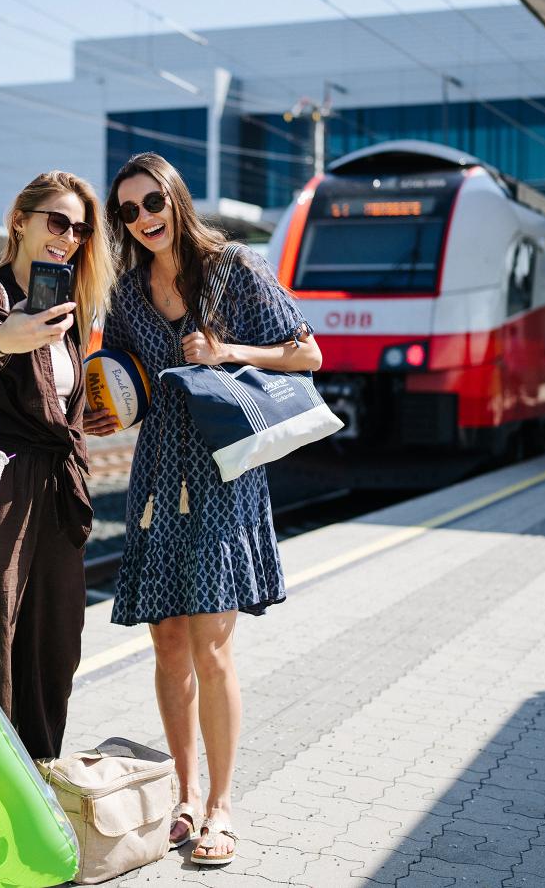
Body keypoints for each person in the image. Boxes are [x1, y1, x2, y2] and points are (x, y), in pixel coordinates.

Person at [85, 152, 322, 867]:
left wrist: (228, 350)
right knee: (166, 642)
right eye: (126, 210)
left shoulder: (234, 267)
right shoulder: (126, 293)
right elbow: (129, 381)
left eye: (151, 200)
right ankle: (184, 796)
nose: (143, 218)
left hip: (223, 471)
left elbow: (308, 354)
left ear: (175, 197)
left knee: (212, 646)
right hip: (159, 474)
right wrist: (107, 410)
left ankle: (222, 804)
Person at [0, 170, 116, 761]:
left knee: (55, 641)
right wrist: (9, 336)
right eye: (57, 221)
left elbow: (56, 401)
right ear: (19, 220)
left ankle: (39, 771)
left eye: (80, 229)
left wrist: (83, 419)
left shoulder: (66, 310)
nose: (68, 237)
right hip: (0, 487)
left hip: (55, 489)